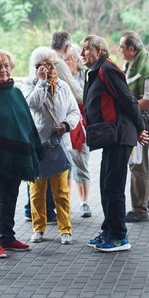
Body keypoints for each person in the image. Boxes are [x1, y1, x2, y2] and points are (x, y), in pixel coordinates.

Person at [81, 35, 148, 251]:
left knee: (113, 187)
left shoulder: (107, 69)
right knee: (106, 185)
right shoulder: (97, 69)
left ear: (98, 50)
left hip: (120, 135)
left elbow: (127, 99)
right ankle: (109, 230)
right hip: (112, 137)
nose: (82, 54)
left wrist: (140, 128)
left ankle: (119, 237)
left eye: (85, 50)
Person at [0, 49, 41, 258]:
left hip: (14, 158)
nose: (4, 69)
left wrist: (32, 148)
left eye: (7, 65)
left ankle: (7, 237)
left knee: (10, 197)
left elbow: (25, 124)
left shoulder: (15, 93)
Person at [25, 47, 79, 245]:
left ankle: (65, 229)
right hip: (38, 145)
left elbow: (75, 112)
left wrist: (66, 125)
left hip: (59, 145)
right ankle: (38, 228)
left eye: (53, 64)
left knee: (62, 191)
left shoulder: (64, 86)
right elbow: (33, 104)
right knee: (37, 191)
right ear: (37, 67)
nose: (51, 68)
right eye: (46, 64)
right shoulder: (29, 85)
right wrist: (41, 82)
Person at [119, 31, 149, 222]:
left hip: (145, 119)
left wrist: (129, 105)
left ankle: (140, 209)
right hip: (140, 117)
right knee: (142, 162)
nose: (119, 50)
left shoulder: (146, 67)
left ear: (131, 48)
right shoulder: (132, 64)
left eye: (121, 47)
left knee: (137, 164)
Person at [64, 43, 91, 218]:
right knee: (65, 167)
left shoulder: (85, 76)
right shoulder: (62, 77)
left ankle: (84, 202)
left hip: (82, 127)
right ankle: (66, 203)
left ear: (75, 60)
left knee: (82, 165)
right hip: (66, 127)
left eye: (67, 59)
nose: (65, 62)